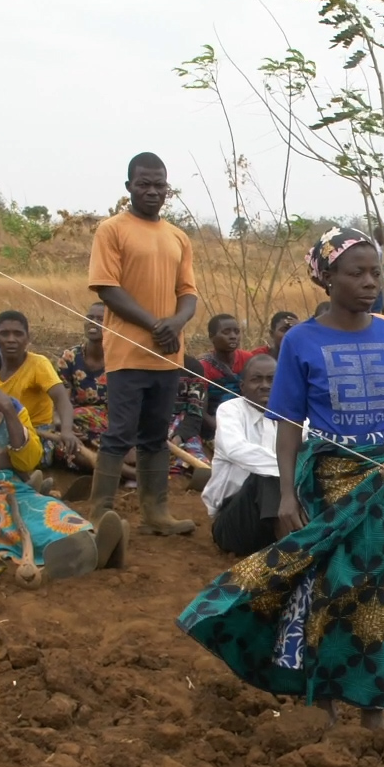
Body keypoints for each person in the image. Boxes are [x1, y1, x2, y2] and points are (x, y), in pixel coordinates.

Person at [179, 227, 384, 742]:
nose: (370, 282)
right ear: (327, 279)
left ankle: (371, 713)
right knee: (328, 587)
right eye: (356, 272)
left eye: (376, 271)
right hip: (328, 480)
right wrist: (290, 494)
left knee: (377, 595)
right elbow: (289, 422)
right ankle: (321, 703)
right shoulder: (301, 341)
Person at [86, 150, 199, 534]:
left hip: (167, 355)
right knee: (119, 432)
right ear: (128, 187)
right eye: (143, 184)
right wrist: (154, 323)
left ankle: (157, 511)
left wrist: (176, 323)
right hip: (127, 352)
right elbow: (106, 287)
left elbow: (188, 292)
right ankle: (99, 513)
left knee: (156, 432)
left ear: (168, 189)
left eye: (159, 185)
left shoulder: (178, 237)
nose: (152, 191)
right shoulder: (112, 230)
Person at [0, 332, 117, 577]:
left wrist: (7, 411)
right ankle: (82, 552)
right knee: (4, 518)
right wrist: (1, 461)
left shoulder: (11, 406)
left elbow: (28, 460)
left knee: (46, 507)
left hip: (12, 485)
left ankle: (89, 541)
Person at [203, 355, 285, 556]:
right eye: (256, 379)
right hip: (235, 521)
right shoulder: (230, 411)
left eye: (272, 379)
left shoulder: (294, 416)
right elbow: (236, 449)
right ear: (242, 386)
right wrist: (291, 469)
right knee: (266, 476)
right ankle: (290, 552)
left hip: (281, 513)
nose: (265, 385)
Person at [0, 310, 79, 471]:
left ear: (27, 339)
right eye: (4, 334)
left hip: (37, 434)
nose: (11, 340)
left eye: (18, 334)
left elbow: (61, 399)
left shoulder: (38, 364)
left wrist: (66, 431)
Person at [50, 303, 122, 485]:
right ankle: (120, 474)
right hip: (75, 423)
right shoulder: (70, 357)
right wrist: (63, 426)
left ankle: (115, 473)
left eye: (101, 320)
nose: (94, 323)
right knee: (63, 446)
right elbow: (61, 401)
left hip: (114, 422)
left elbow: (126, 404)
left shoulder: (120, 358)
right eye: (90, 318)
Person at [197, 313, 245, 441]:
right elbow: (201, 410)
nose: (233, 337)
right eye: (226, 332)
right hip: (213, 426)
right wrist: (224, 430)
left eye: (236, 332)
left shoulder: (247, 359)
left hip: (245, 422)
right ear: (212, 337)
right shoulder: (203, 367)